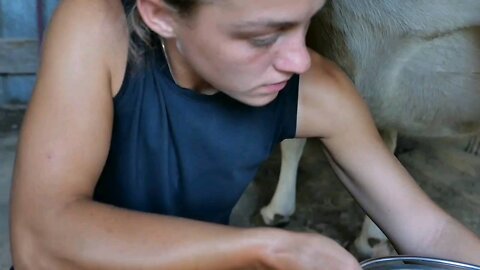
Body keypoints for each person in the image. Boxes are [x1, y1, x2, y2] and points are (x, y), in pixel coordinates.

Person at [9, 0, 480, 269]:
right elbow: (40, 240)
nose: (298, 59)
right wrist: (269, 247)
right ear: (160, 13)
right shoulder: (99, 25)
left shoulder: (317, 88)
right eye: (262, 37)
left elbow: (430, 229)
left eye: (306, 22)